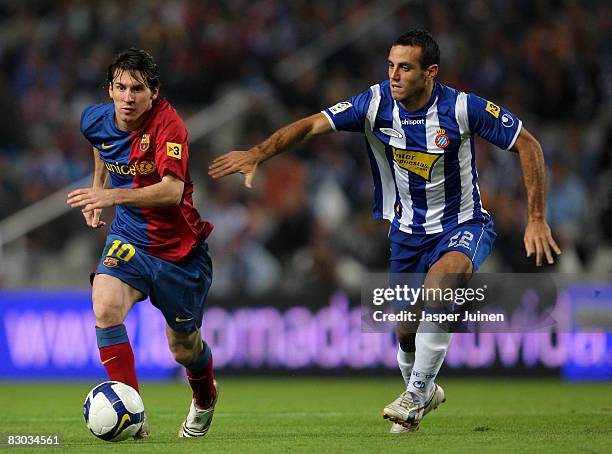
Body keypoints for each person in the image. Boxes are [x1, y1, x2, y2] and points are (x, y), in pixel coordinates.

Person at [208, 30, 561, 432]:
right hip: (406, 233)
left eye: (405, 67)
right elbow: (309, 126)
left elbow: (528, 145)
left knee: (440, 284)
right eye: (391, 65)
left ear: (430, 73)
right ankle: (423, 388)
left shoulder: (463, 108)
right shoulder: (372, 103)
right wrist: (258, 153)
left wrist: (535, 217)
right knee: (405, 330)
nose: (394, 75)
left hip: (463, 224)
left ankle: (416, 393)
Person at [67, 48, 218, 439]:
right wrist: (98, 188)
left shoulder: (170, 128)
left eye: (137, 89)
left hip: (178, 253)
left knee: (184, 349)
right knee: (104, 306)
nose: (128, 98)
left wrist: (110, 197)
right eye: (120, 88)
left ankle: (204, 396)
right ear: (109, 90)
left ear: (154, 93)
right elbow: (101, 145)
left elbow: (170, 191)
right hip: (130, 238)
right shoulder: (95, 119)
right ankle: (133, 413)